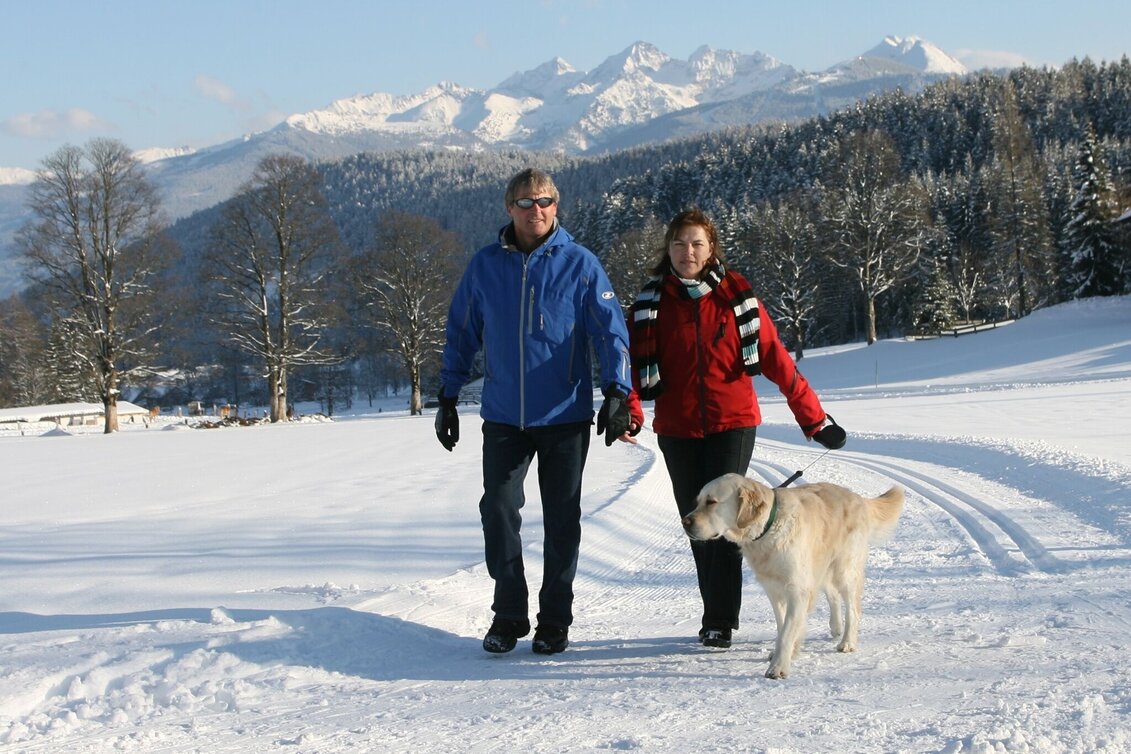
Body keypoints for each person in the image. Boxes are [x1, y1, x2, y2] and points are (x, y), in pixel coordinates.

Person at [435, 168, 637, 656]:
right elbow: (461, 331)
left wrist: (617, 389)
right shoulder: (485, 267)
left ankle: (554, 620)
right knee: (498, 509)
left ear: (556, 206)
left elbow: (610, 331)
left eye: (544, 201)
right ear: (509, 209)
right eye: (525, 202)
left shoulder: (581, 264)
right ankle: (508, 615)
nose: (536, 209)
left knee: (562, 519)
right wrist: (447, 395)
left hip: (565, 414)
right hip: (504, 414)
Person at [625, 208, 845, 649]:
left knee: (725, 519)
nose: (688, 251)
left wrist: (814, 418)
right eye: (679, 243)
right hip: (678, 429)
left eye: (697, 244)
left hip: (733, 424)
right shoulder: (650, 306)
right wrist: (630, 410)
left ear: (711, 249)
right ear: (667, 249)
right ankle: (715, 613)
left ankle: (720, 620)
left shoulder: (738, 299)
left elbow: (776, 359)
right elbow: (628, 365)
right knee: (697, 523)